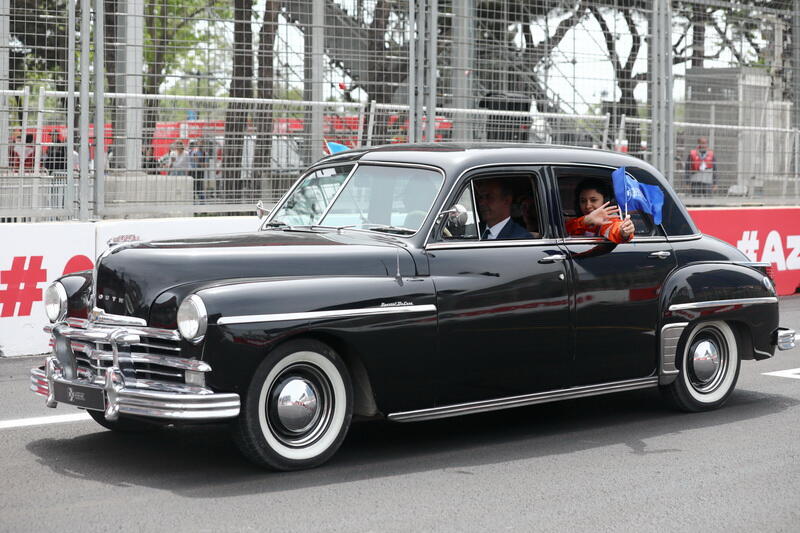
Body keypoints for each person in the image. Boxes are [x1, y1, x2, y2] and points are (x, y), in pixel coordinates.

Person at [566, 178, 634, 243]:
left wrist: (623, 232)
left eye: (593, 200)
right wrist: (585, 221)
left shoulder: (608, 221)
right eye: (583, 201)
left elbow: (614, 229)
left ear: (605, 201)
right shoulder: (576, 222)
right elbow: (566, 230)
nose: (587, 206)